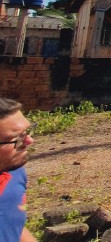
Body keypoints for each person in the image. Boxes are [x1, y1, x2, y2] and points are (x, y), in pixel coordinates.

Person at [1, 98, 37, 242]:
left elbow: (11, 224)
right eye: (17, 138)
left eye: (27, 132)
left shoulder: (13, 171)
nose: (29, 141)